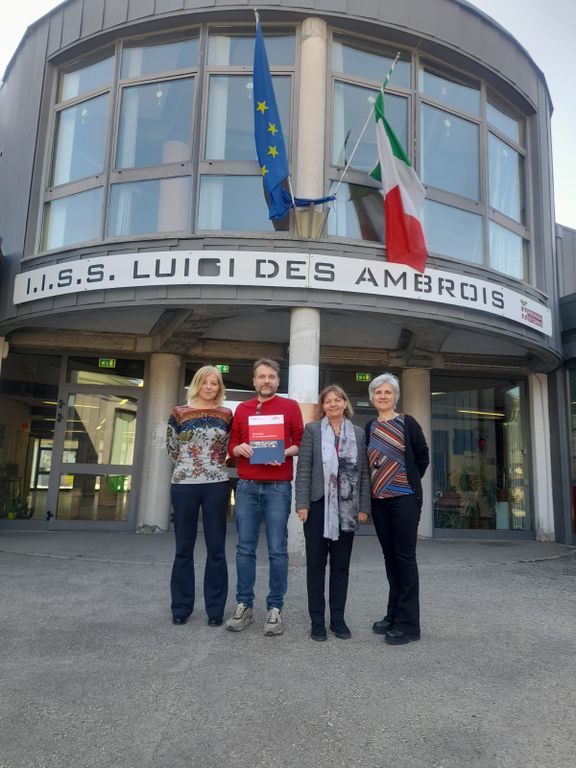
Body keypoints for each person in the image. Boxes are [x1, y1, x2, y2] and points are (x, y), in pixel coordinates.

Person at [225, 358, 304, 636]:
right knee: (244, 548)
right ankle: (244, 605)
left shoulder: (290, 407)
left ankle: (275, 608)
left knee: (277, 549)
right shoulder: (242, 409)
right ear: (254, 381)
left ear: (278, 381)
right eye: (261, 376)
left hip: (278, 487)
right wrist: (239, 449)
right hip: (247, 485)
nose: (266, 380)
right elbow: (232, 444)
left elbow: (300, 442)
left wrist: (283, 452)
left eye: (271, 376)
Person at [295, 385, 371, 641]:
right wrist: (302, 503)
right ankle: (317, 621)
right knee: (316, 566)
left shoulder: (358, 433)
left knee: (341, 567)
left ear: (345, 403)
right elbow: (304, 468)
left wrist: (363, 507)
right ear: (323, 406)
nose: (333, 404)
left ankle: (338, 619)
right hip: (317, 506)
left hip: (347, 509)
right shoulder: (312, 430)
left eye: (338, 399)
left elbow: (364, 473)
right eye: (328, 401)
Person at [365, 373, 429, 645]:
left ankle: (409, 625)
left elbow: (422, 457)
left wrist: (404, 482)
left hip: (404, 500)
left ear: (395, 396)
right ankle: (393, 615)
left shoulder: (408, 423)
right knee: (390, 559)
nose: (382, 396)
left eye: (387, 392)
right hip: (380, 502)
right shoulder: (370, 427)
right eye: (378, 392)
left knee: (405, 559)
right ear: (372, 398)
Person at [166, 366, 232, 627]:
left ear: (219, 387)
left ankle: (215, 610)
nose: (209, 387)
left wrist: (211, 466)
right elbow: (172, 447)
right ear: (197, 384)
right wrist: (191, 467)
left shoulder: (226, 414)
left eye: (214, 383)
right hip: (184, 485)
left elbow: (228, 445)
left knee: (216, 548)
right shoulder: (179, 412)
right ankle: (181, 607)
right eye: (205, 382)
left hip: (216, 484)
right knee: (183, 548)